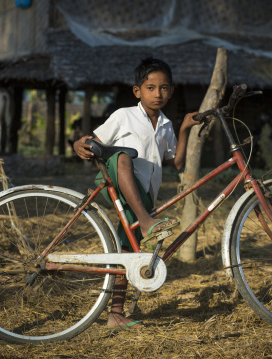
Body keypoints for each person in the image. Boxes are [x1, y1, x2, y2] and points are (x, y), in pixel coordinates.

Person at [73, 57, 199, 330]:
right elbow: (94, 139)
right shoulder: (124, 115)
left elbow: (176, 162)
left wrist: (186, 127)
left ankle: (116, 313)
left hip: (142, 198)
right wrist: (78, 143)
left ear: (171, 91)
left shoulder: (165, 125)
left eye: (164, 88)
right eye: (151, 88)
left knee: (127, 252)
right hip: (117, 185)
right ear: (137, 91)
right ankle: (145, 221)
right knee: (122, 157)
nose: (158, 94)